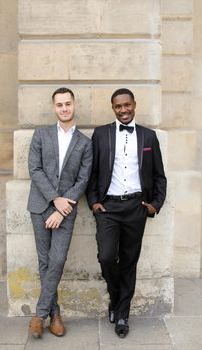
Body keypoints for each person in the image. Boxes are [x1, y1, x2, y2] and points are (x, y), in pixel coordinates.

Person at [86, 88, 166, 338]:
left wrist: (155, 205)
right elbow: (92, 173)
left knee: (129, 261)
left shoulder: (149, 137)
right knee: (107, 257)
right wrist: (93, 203)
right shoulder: (100, 134)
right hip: (108, 207)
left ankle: (122, 314)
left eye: (127, 105)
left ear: (134, 105)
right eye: (118, 106)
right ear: (113, 108)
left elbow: (159, 176)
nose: (123, 110)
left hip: (136, 207)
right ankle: (115, 297)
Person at [27, 87, 93, 339]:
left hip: (66, 210)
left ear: (74, 105)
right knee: (44, 262)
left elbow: (83, 179)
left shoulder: (85, 143)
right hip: (40, 205)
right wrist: (54, 200)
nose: (64, 108)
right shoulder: (40, 135)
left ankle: (39, 315)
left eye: (68, 104)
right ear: (54, 107)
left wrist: (63, 208)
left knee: (57, 260)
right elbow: (34, 169)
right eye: (59, 105)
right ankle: (54, 315)